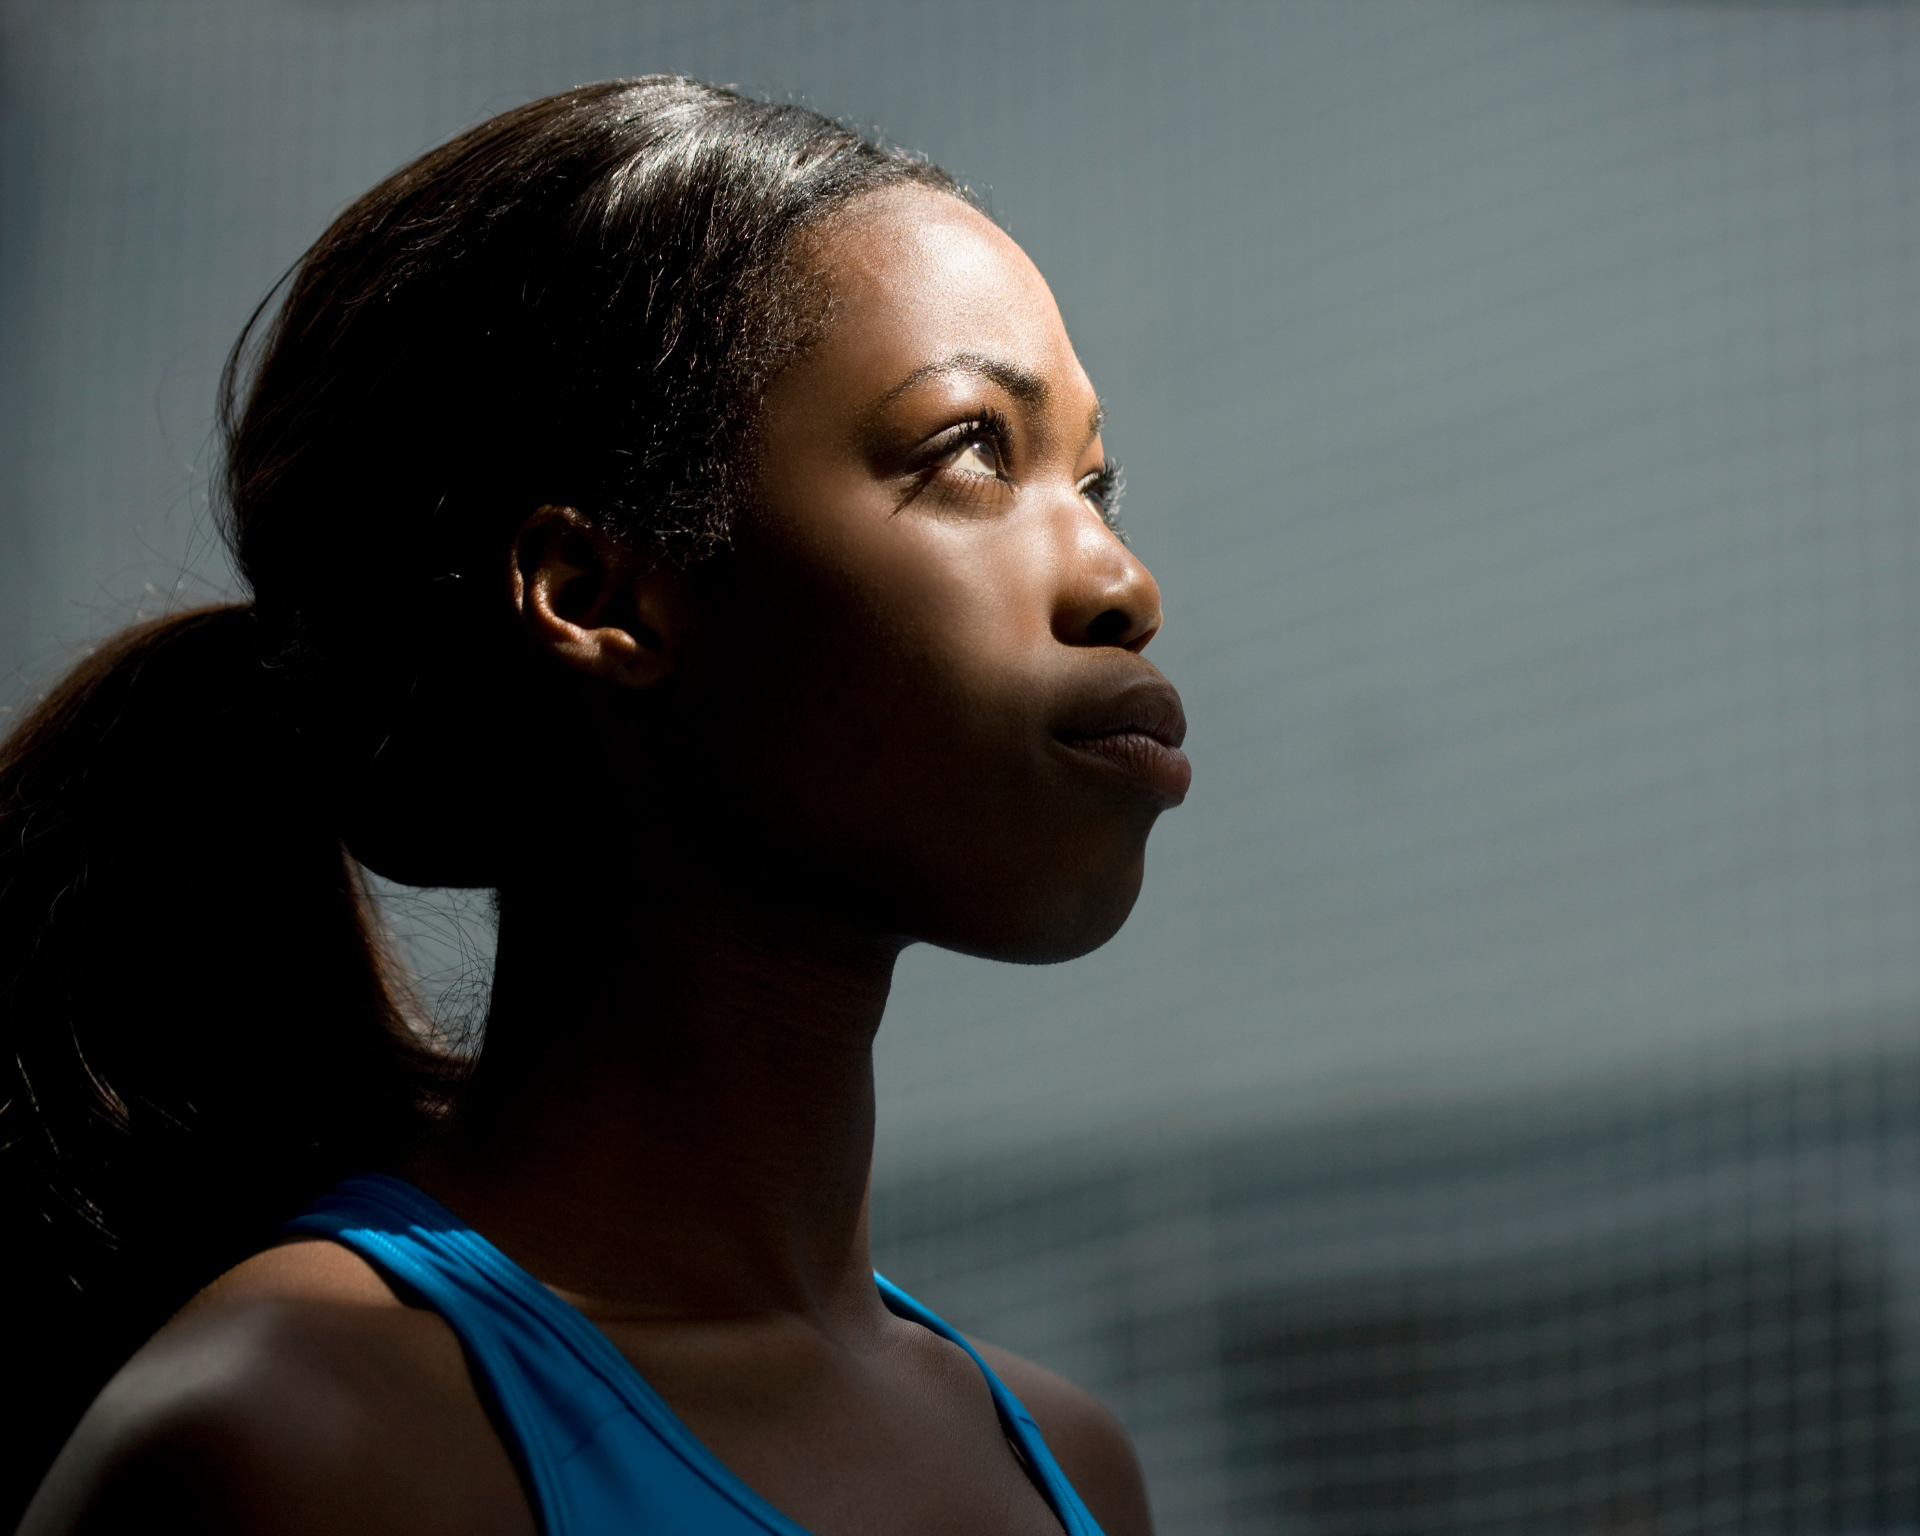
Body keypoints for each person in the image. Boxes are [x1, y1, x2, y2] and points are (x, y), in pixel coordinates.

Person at [1, 77, 1187, 1536]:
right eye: (968, 455)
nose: (1121, 584)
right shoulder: (302, 1445)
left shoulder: (1069, 1471)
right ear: (596, 596)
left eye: (1096, 481)